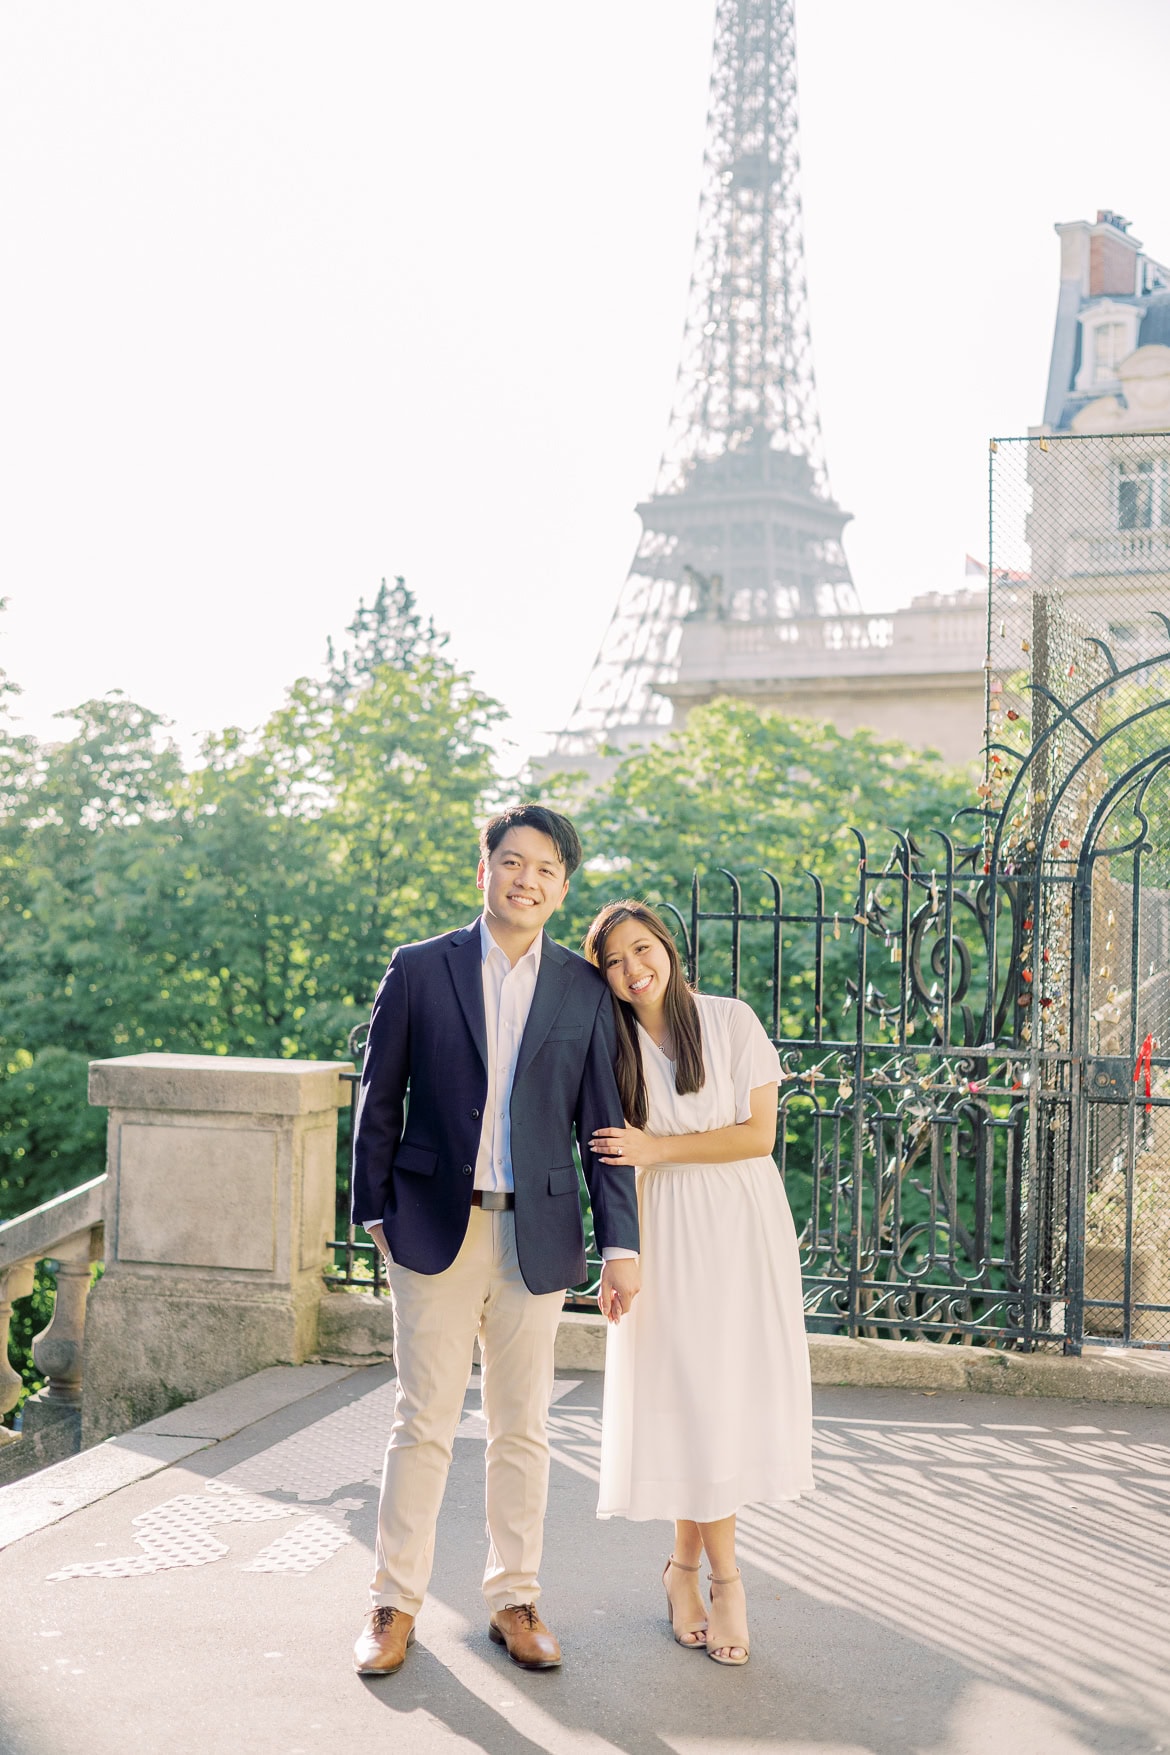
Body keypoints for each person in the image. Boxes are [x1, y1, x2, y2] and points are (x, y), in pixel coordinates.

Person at [350, 805, 640, 1678]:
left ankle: (515, 1598)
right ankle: (393, 1605)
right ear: (484, 869)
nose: (528, 879)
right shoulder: (418, 968)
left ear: (562, 886)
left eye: (547, 869)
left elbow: (603, 1120)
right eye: (513, 862)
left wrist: (620, 1242)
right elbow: (380, 1099)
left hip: (537, 1232)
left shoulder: (584, 988)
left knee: (524, 1425)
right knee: (423, 1420)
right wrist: (377, 1217)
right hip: (434, 1226)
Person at [583, 900, 814, 1667]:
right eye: (613, 961)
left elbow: (758, 1134)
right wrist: (621, 1250)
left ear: (668, 948)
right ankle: (721, 1578)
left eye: (642, 949)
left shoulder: (729, 1019)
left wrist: (658, 1144)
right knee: (688, 1398)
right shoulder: (608, 1043)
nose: (632, 970)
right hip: (665, 1229)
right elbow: (612, 1158)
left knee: (719, 1398)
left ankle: (694, 1570)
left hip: (741, 1223)